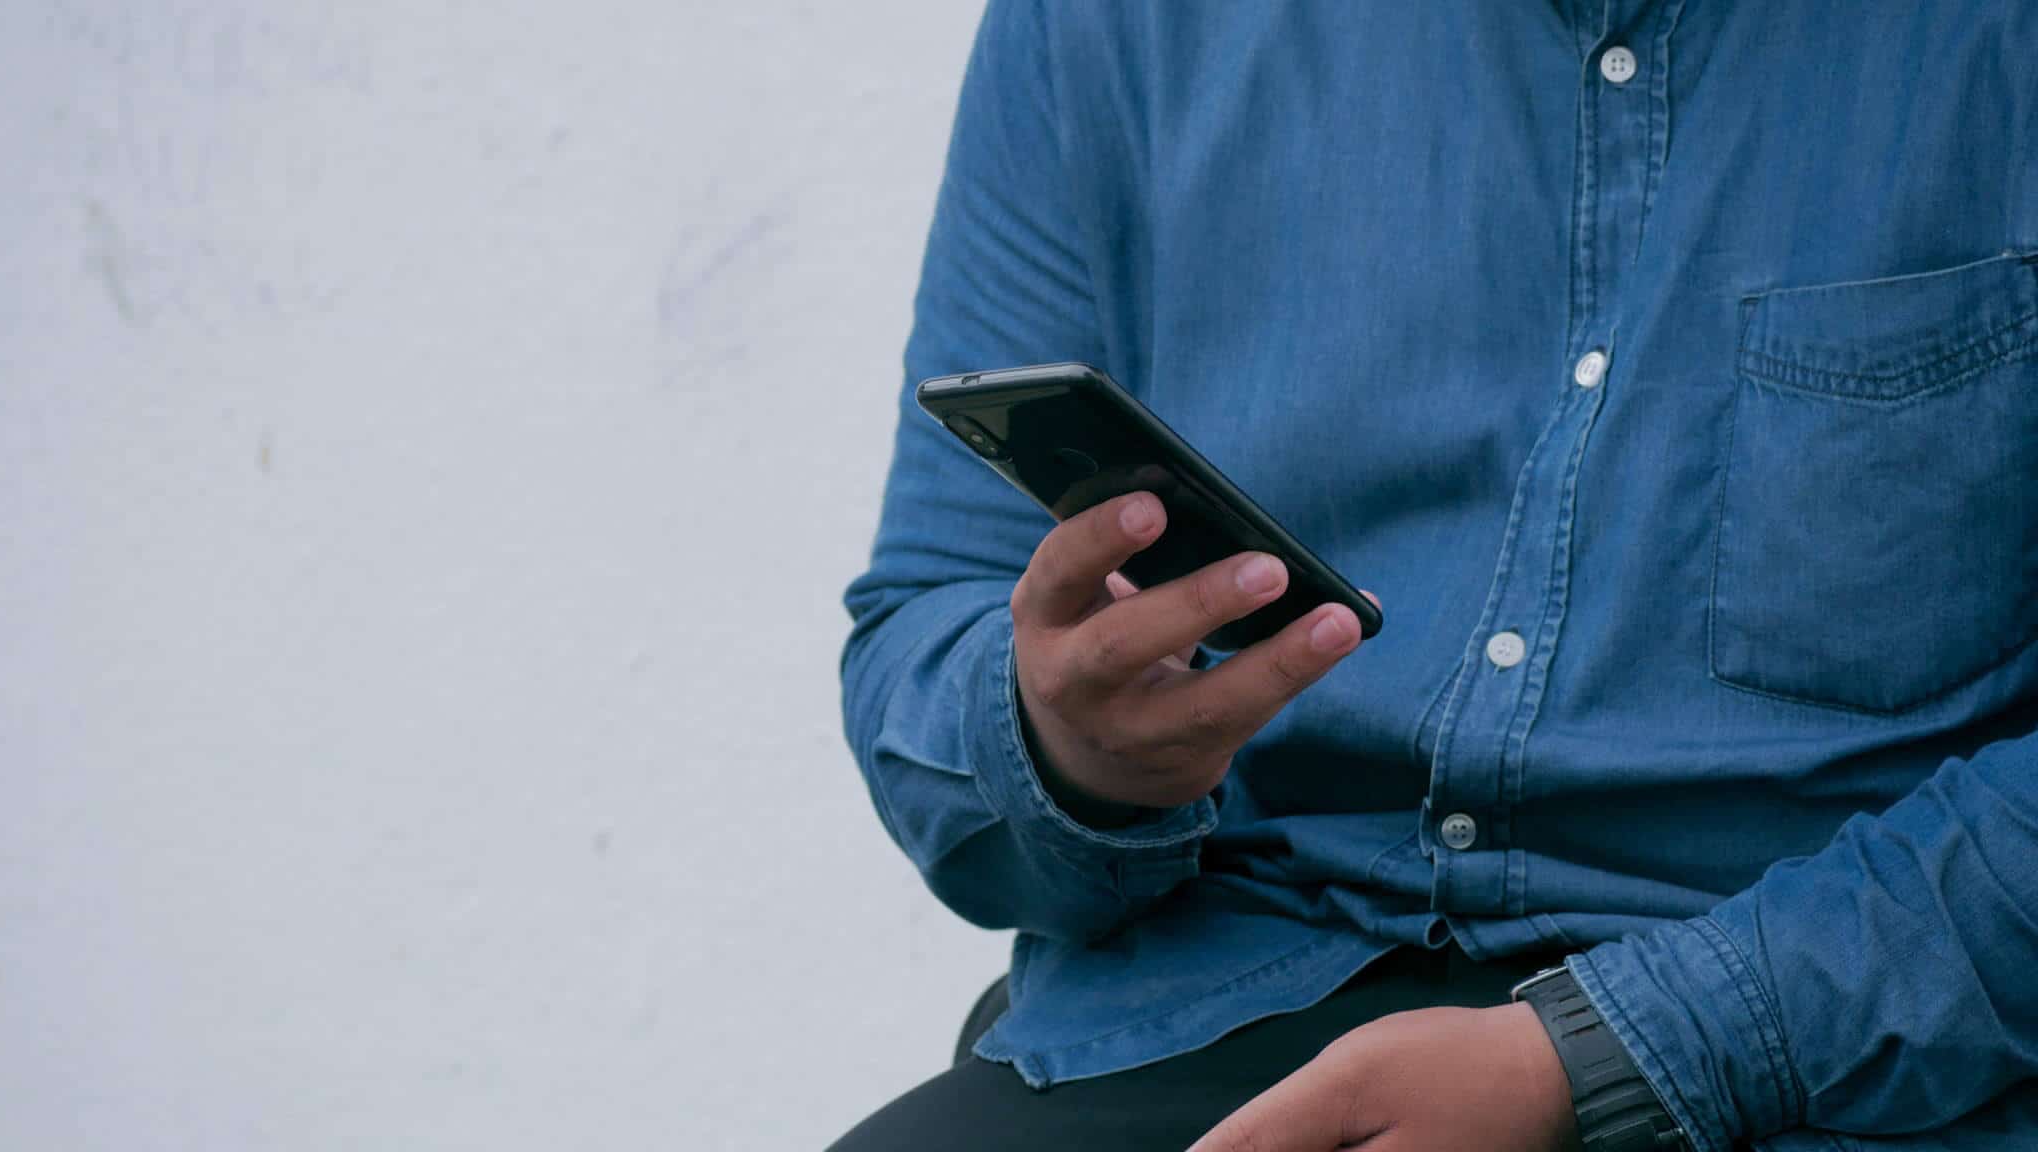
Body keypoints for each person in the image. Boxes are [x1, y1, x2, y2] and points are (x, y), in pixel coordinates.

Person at [832, 4, 2038, 1149]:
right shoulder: (1112, 23)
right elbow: (927, 612)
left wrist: (1620, 1055)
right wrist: (1060, 745)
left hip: (1843, 1052)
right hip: (1228, 992)